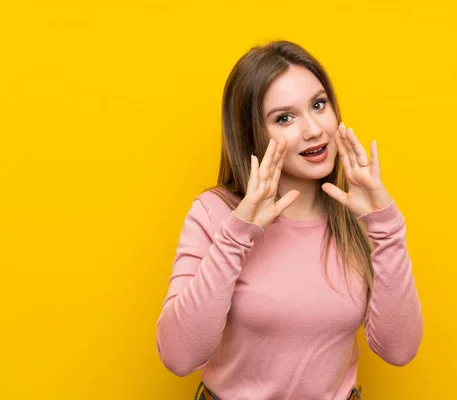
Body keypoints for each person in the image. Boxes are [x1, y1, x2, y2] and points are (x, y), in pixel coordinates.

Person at [156, 40, 424, 400]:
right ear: (253, 134)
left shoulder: (356, 217)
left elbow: (399, 349)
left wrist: (386, 228)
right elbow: (179, 355)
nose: (313, 129)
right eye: (284, 118)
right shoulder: (215, 213)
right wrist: (238, 233)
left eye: (318, 104)